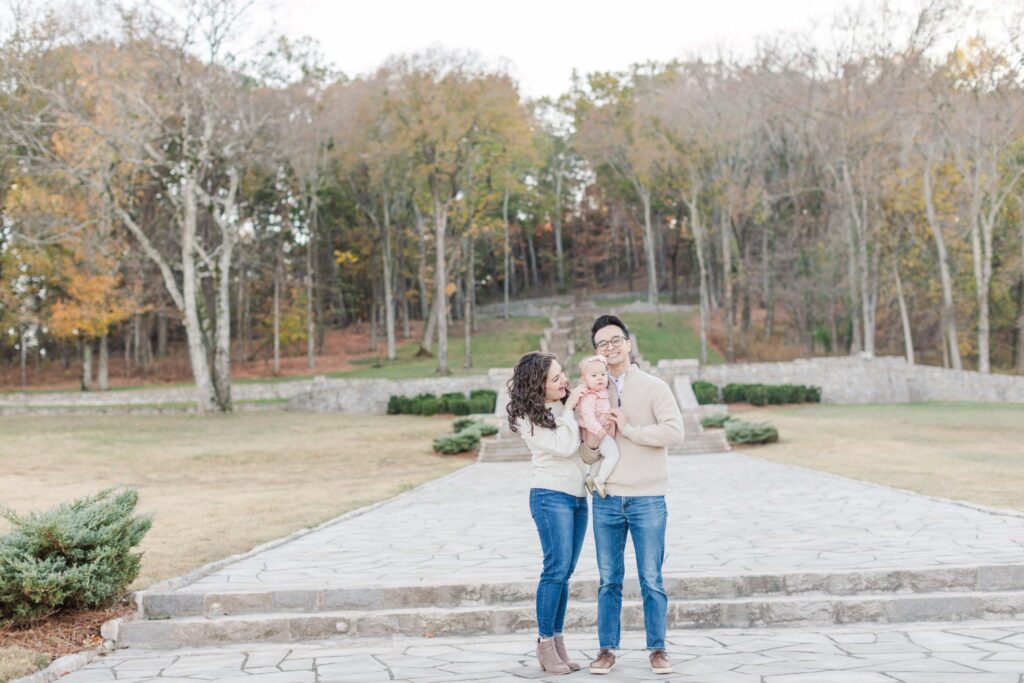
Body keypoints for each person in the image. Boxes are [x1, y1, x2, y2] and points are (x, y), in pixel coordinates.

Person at [583, 315, 685, 676]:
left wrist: (630, 429)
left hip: (648, 498)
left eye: (614, 341)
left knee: (651, 577)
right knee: (608, 578)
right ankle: (606, 649)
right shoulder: (593, 390)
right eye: (601, 344)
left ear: (628, 343)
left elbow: (675, 433)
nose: (609, 349)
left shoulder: (655, 386)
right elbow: (585, 452)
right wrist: (596, 438)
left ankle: (657, 649)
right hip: (607, 499)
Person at [506, 351, 589, 675]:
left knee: (565, 572)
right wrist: (569, 410)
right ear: (537, 384)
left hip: (578, 497)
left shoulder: (568, 406)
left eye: (562, 374)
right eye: (555, 378)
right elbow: (564, 446)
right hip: (549, 496)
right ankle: (544, 643)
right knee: (554, 569)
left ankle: (557, 640)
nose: (564, 380)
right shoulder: (528, 416)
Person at [576, 354, 619, 499]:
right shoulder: (589, 397)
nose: (600, 378)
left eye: (603, 374)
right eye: (594, 375)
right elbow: (588, 418)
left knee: (602, 456)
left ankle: (591, 476)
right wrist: (599, 431)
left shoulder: (604, 392)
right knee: (613, 455)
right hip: (598, 433)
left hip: (604, 431)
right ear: (584, 379)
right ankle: (600, 479)